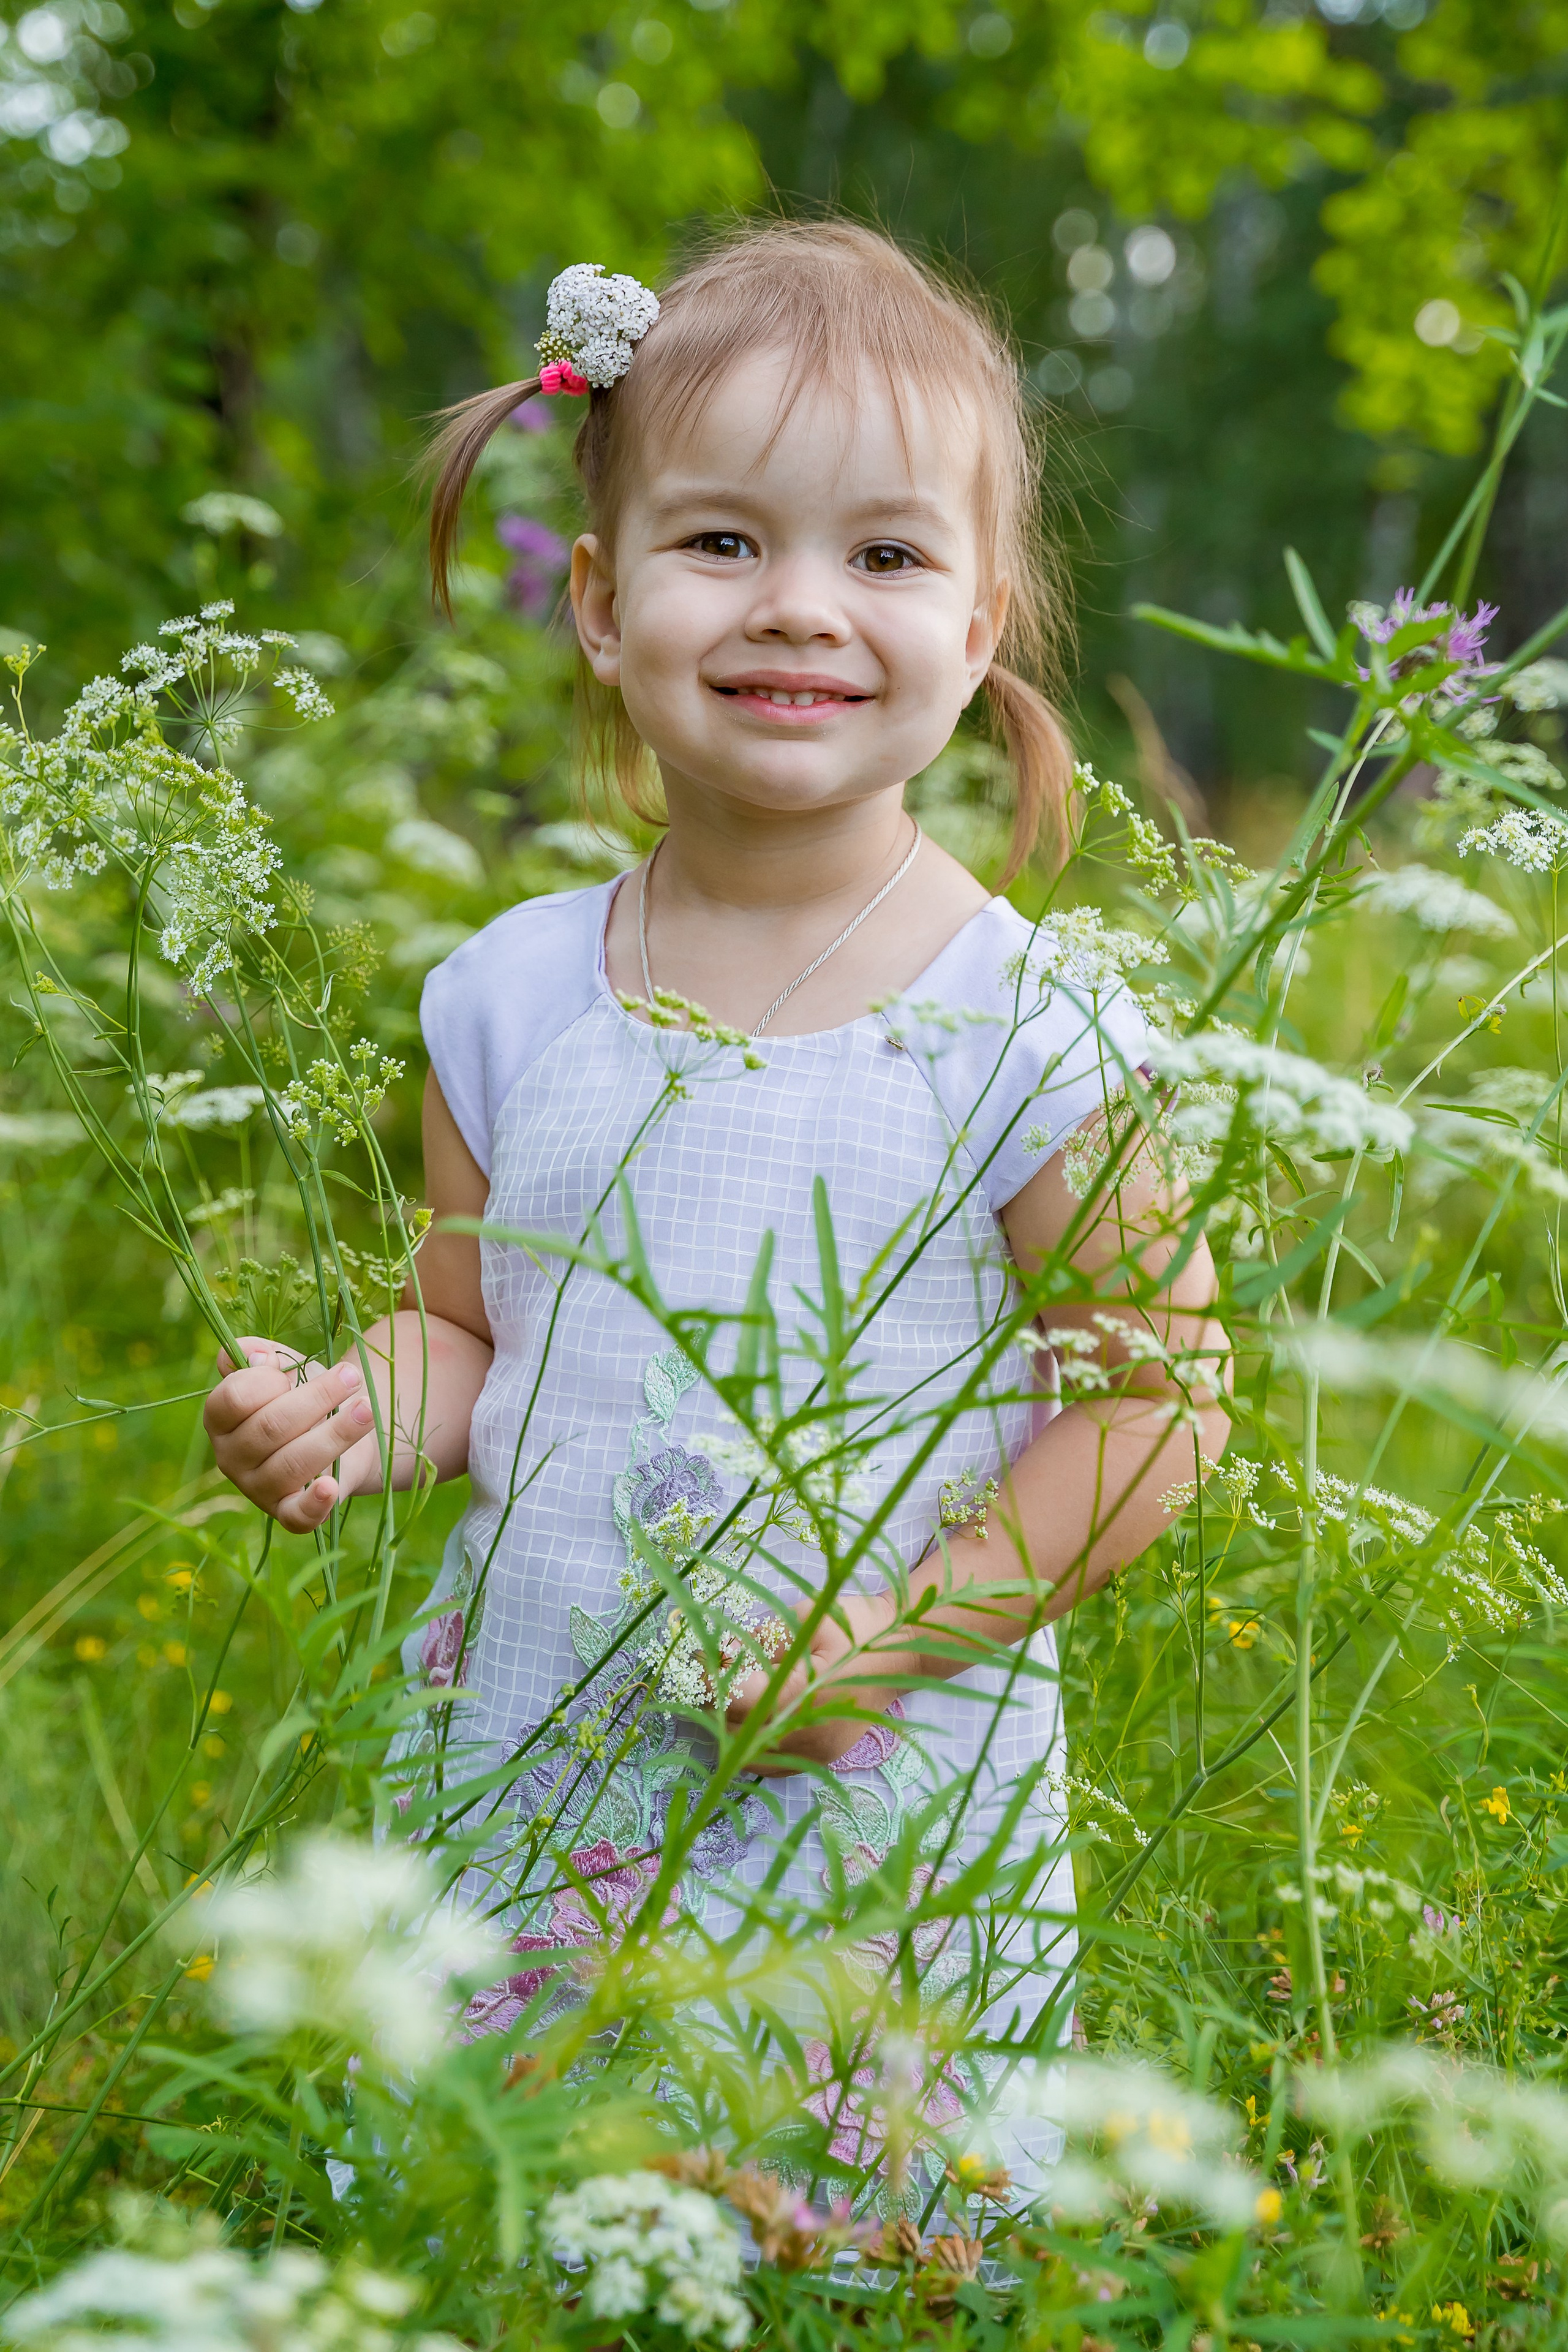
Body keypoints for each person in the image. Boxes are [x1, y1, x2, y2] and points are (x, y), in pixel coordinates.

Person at [203, 221, 1227, 2190]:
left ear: (982, 625)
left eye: (887, 555)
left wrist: (892, 1636)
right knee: (518, 2214)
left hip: (876, 1798)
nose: (801, 608)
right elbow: (470, 1334)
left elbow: (1154, 1406)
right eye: (726, 540)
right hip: (536, 1762)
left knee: (834, 2230)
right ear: (602, 601)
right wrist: (347, 1410)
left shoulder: (1029, 1019)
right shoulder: (508, 992)